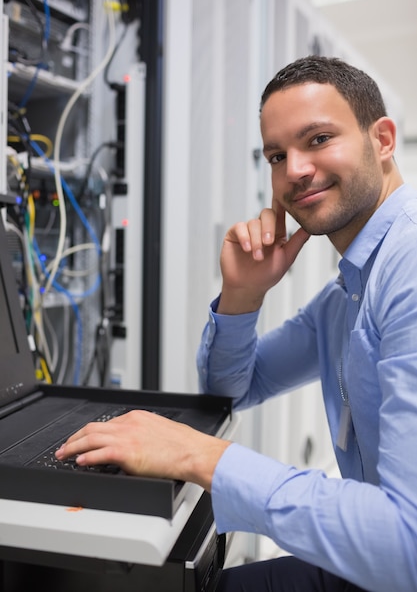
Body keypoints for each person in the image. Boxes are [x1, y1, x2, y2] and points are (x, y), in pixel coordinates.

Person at [55, 56, 417, 592]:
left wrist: (199, 454)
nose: (294, 169)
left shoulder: (407, 268)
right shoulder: (348, 291)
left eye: (317, 139)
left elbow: (406, 547)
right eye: (277, 154)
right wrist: (243, 295)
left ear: (383, 139)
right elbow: (232, 388)